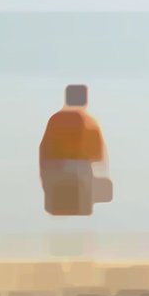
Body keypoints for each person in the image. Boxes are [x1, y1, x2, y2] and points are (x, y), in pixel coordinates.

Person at [38, 84, 113, 216]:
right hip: (82, 173)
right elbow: (98, 156)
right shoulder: (89, 122)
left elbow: (45, 150)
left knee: (59, 212)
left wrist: (44, 176)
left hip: (57, 172)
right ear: (85, 100)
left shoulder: (55, 120)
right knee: (81, 213)